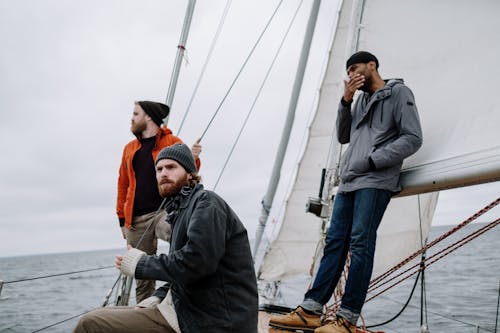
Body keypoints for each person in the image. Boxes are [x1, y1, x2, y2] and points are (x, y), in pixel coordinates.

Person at [269, 51, 423, 333]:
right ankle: (311, 310)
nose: (352, 73)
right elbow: (344, 136)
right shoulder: (360, 98)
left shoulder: (399, 93)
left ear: (372, 65)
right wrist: (345, 101)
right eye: (349, 70)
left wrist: (374, 160)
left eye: (356, 67)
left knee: (361, 244)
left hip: (375, 181)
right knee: (335, 242)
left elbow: (413, 138)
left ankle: (347, 318)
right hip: (350, 181)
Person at [75, 143, 258, 333]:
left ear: (189, 173)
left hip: (215, 322)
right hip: (189, 311)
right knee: (101, 316)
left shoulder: (206, 203)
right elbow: (184, 274)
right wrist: (158, 296)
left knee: (89, 324)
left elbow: (197, 263)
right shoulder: (180, 211)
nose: (163, 173)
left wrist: (141, 264)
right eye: (159, 169)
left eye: (171, 167)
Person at [116, 101, 201, 303]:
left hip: (165, 212)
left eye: (135, 113)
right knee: (141, 272)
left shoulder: (172, 140)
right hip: (136, 219)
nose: (132, 118)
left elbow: (188, 170)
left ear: (148, 117)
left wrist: (194, 157)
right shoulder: (129, 148)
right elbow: (123, 183)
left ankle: (186, 297)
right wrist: (121, 219)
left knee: (183, 242)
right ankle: (143, 314)